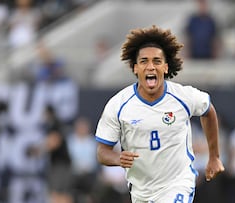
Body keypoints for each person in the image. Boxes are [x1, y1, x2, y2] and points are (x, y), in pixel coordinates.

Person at [95, 25, 225, 203]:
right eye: (144, 61)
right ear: (135, 68)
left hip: (178, 183)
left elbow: (208, 111)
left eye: (156, 61)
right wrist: (118, 158)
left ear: (165, 67)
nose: (150, 67)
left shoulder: (183, 97)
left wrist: (214, 157)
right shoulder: (118, 105)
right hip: (141, 190)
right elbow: (102, 152)